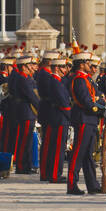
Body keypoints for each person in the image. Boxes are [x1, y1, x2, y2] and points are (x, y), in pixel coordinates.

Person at [67, 48, 104, 195]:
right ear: (81, 64)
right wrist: (98, 108)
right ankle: (72, 184)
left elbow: (98, 95)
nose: (90, 65)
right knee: (78, 152)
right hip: (84, 118)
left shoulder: (86, 79)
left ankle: (92, 184)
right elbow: (86, 101)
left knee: (88, 154)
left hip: (90, 119)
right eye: (88, 62)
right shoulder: (79, 80)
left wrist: (99, 104)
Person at [38, 51, 71, 182]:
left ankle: (49, 173)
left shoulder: (56, 80)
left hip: (55, 116)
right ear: (56, 68)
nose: (65, 70)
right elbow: (63, 102)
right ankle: (54, 174)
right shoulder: (54, 81)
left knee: (52, 146)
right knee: (57, 147)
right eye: (63, 67)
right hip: (58, 117)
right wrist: (70, 115)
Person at [7, 52, 39, 173]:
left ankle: (26, 164)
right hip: (25, 111)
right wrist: (40, 108)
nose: (32, 67)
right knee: (24, 140)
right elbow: (31, 96)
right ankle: (21, 166)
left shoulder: (24, 77)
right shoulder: (22, 78)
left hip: (26, 111)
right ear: (24, 66)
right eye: (30, 65)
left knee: (27, 140)